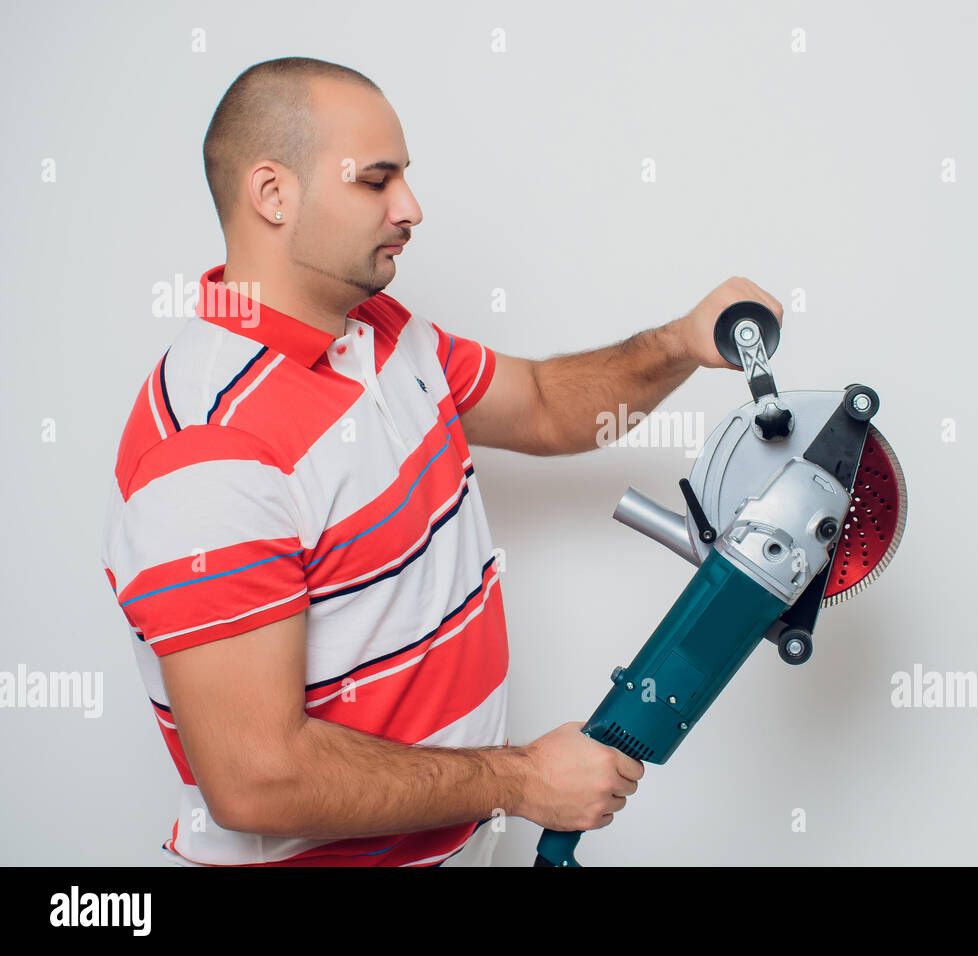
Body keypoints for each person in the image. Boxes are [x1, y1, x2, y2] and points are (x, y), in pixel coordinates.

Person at [99, 56, 784, 866]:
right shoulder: (208, 453)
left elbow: (541, 404)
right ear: (273, 194)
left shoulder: (381, 333)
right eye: (376, 181)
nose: (411, 208)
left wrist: (679, 343)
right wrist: (521, 779)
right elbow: (257, 779)